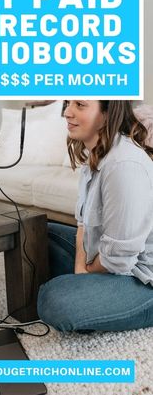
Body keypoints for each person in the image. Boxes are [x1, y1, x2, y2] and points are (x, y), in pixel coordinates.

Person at [37, 100, 153, 332]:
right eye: (68, 103)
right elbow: (83, 224)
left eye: (80, 105)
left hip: (140, 277)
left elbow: (120, 258)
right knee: (38, 232)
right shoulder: (97, 155)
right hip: (105, 258)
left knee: (55, 301)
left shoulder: (124, 165)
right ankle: (87, 290)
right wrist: (82, 268)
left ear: (108, 114)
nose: (67, 112)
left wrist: (83, 272)